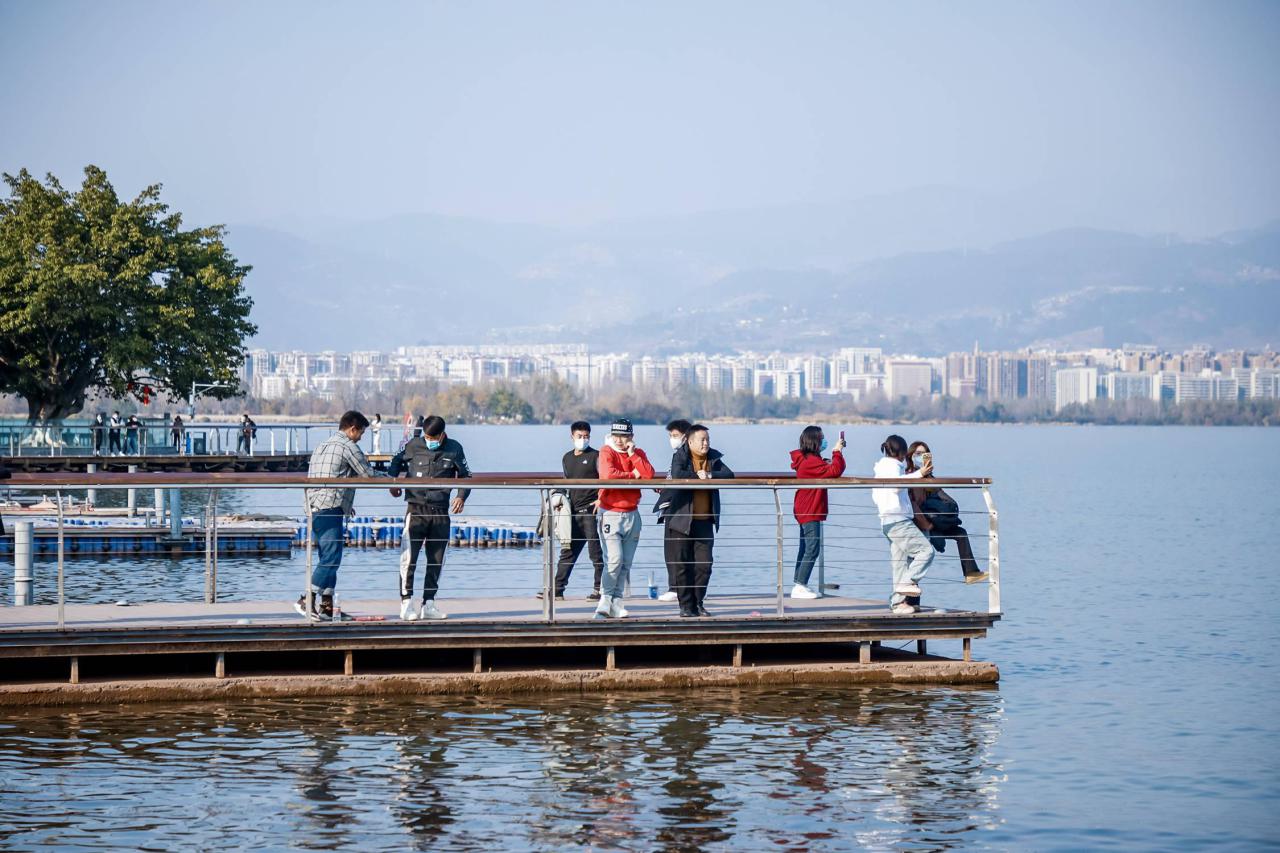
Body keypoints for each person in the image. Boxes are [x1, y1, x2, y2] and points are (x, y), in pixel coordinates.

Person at [299, 410, 385, 620]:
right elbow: (368, 473)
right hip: (329, 506)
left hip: (315, 505)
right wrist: (393, 480)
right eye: (361, 433)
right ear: (352, 429)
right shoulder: (348, 446)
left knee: (326, 556)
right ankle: (306, 600)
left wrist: (346, 504)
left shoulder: (323, 445)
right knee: (332, 557)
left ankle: (326, 607)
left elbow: (334, 475)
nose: (361, 438)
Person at [387, 415, 472, 621]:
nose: (429, 440)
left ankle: (429, 603)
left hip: (440, 511)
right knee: (409, 559)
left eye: (433, 437)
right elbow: (395, 462)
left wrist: (461, 496)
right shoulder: (414, 444)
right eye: (426, 437)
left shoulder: (454, 448)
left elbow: (466, 476)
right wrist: (394, 482)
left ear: (442, 434)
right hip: (415, 509)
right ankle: (406, 603)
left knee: (436, 560)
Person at [660, 424, 734, 617]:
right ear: (690, 441)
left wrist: (709, 475)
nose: (706, 443)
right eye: (702, 440)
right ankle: (686, 606)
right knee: (682, 565)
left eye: (708, 439)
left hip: (704, 520)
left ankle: (698, 602)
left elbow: (729, 475)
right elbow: (677, 475)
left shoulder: (713, 457)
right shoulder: (681, 456)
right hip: (681, 520)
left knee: (705, 565)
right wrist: (696, 476)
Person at [906, 441, 988, 593]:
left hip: (932, 520)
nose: (921, 457)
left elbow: (942, 497)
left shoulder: (928, 477)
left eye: (924, 454)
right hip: (919, 524)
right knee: (914, 562)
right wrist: (927, 525)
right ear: (910, 456)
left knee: (960, 533)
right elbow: (912, 505)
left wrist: (930, 479)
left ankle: (971, 573)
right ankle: (910, 599)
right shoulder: (907, 476)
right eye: (917, 454)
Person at [595, 418, 655, 619]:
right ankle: (605, 598)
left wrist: (632, 455)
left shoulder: (638, 453)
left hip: (633, 514)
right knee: (614, 559)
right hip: (610, 512)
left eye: (624, 436)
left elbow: (648, 475)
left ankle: (616, 602)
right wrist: (632, 475)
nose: (620, 440)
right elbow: (607, 474)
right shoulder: (606, 451)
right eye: (616, 435)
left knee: (626, 562)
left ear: (631, 437)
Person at [872, 434, 935, 614]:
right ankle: (907, 584)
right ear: (900, 452)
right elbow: (897, 485)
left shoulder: (883, 467)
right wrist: (920, 474)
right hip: (897, 519)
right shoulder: (892, 467)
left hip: (888, 520)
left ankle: (898, 603)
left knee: (899, 562)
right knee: (926, 551)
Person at [545, 421, 604, 600]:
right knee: (567, 550)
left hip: (591, 511)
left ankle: (598, 589)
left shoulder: (596, 456)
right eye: (580, 436)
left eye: (586, 436)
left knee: (595, 552)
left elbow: (605, 480)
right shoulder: (567, 458)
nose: (583, 439)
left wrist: (601, 499)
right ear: (572, 437)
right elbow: (566, 481)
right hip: (573, 511)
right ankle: (557, 589)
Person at [789, 425, 846, 599]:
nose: (824, 441)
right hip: (810, 509)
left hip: (805, 508)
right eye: (821, 438)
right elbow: (835, 471)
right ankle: (800, 586)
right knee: (812, 548)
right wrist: (837, 452)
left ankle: (799, 583)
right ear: (814, 441)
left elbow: (825, 469)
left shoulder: (809, 459)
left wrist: (828, 461)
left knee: (805, 547)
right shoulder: (811, 461)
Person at [653, 419, 693, 601]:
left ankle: (676, 588)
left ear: (686, 436)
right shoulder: (679, 454)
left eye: (675, 436)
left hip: (680, 507)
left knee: (676, 549)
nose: (672, 439)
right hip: (671, 505)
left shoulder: (687, 455)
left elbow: (680, 477)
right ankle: (675, 586)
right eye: (670, 436)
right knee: (670, 549)